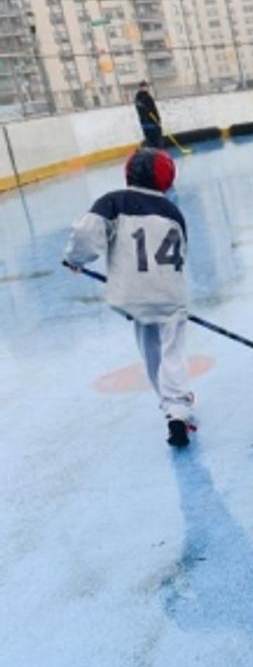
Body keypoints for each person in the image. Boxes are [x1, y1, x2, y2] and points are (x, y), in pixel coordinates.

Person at [62, 148, 195, 447]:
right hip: (169, 294)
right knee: (173, 348)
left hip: (132, 294)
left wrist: (75, 259)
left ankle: (165, 402)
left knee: (150, 346)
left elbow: (86, 235)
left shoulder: (112, 201)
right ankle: (178, 409)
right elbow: (182, 253)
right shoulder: (173, 212)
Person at [134, 81, 163, 148]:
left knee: (150, 139)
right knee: (156, 139)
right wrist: (157, 119)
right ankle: (158, 152)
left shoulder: (138, 97)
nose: (147, 88)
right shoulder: (145, 97)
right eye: (146, 86)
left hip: (145, 121)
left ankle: (153, 152)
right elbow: (153, 109)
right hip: (150, 121)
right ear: (142, 87)